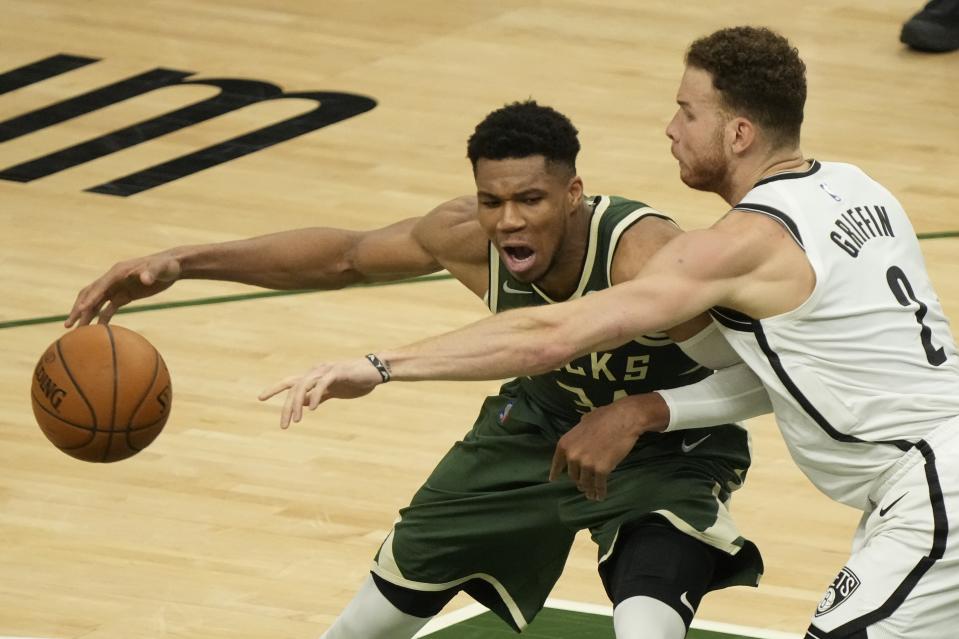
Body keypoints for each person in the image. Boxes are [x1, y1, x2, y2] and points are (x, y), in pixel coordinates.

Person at [264, 27, 959, 639]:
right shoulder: (857, 187)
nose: (670, 128)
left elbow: (551, 334)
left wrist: (382, 364)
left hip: (933, 489)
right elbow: (778, 376)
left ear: (738, 132)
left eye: (688, 112)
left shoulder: (736, 244)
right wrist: (647, 408)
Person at [67, 101, 766, 639]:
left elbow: (762, 379)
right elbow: (344, 255)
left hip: (668, 444)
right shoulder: (466, 235)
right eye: (492, 200)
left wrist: (638, 411)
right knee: (363, 625)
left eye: (531, 199)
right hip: (535, 431)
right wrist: (183, 262)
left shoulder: (645, 255)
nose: (508, 221)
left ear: (573, 192)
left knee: (645, 620)